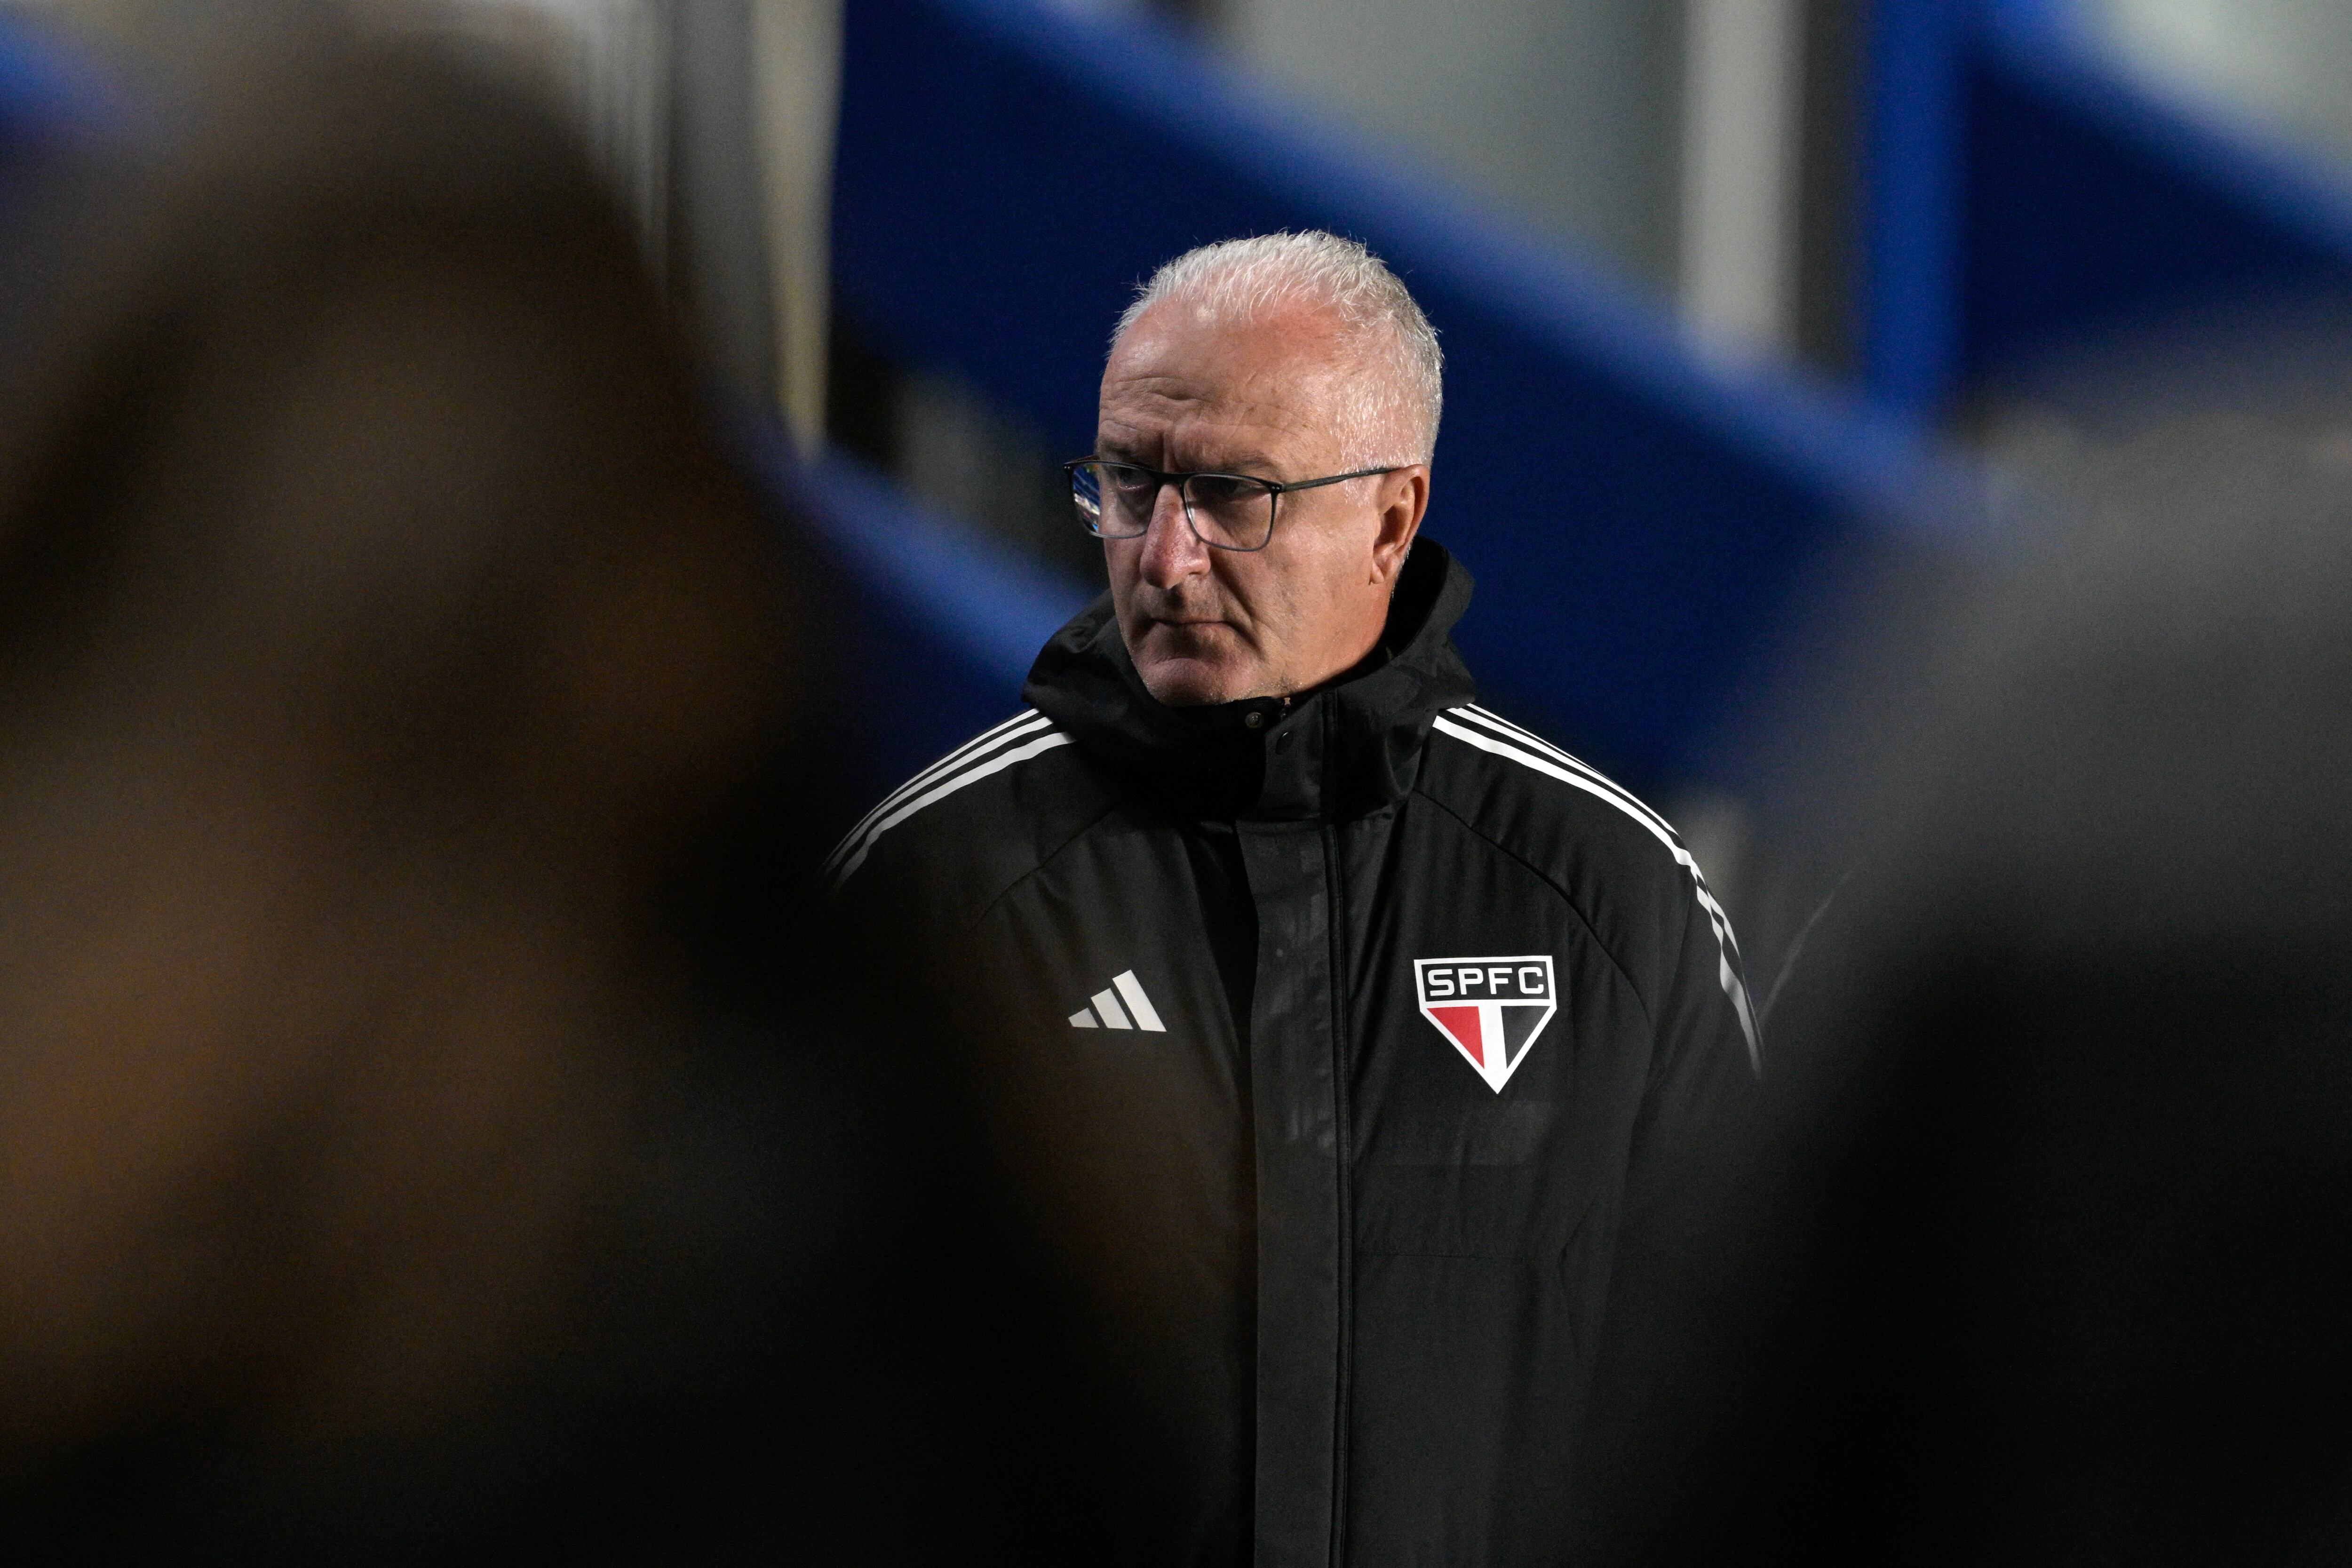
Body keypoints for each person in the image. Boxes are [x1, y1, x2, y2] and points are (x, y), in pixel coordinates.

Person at [829, 231, 1760, 1565]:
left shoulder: (1611, 899)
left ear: (1390, 517)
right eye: (1130, 485)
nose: (1165, 557)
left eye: (1231, 495)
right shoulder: (933, 892)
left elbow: (1770, 1408)